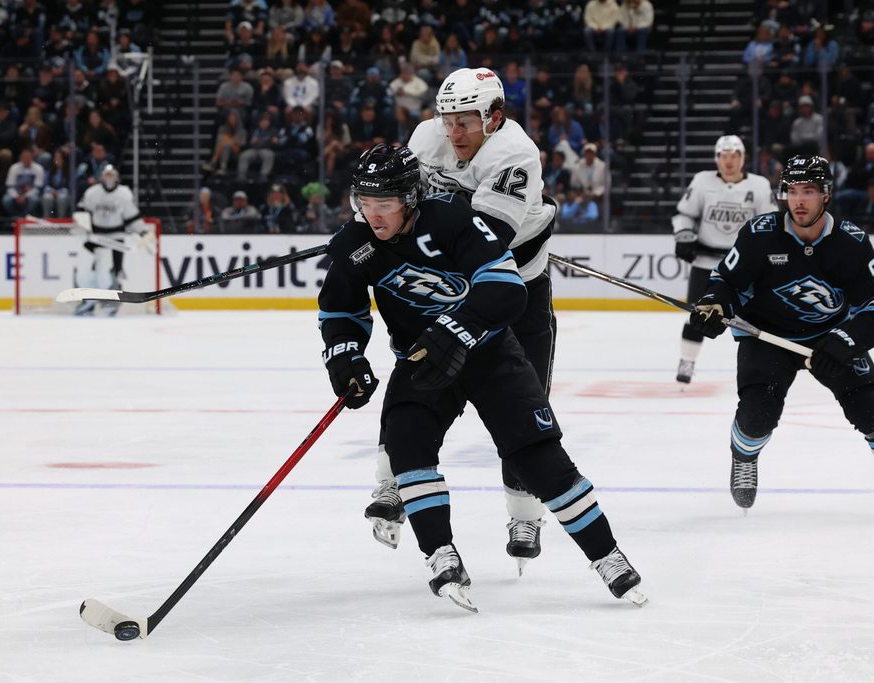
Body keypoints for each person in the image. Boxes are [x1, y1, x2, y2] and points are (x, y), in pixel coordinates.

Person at [319, 144, 646, 610]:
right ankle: (440, 553)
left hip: (490, 354)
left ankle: (607, 555)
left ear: (411, 197)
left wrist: (456, 329)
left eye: (384, 204)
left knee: (538, 459)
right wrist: (345, 356)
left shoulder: (453, 219)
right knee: (407, 442)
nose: (373, 216)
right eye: (365, 204)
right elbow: (339, 310)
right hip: (421, 361)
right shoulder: (356, 245)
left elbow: (506, 289)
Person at [357, 67, 556, 574]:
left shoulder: (515, 153)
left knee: (526, 405)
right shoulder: (427, 136)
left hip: (516, 291)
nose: (453, 132)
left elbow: (482, 240)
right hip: (444, 287)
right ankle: (393, 477)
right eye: (447, 119)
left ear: (495, 116)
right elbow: (399, 200)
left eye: (465, 120)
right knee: (415, 375)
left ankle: (524, 512)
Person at [687, 156, 874, 512]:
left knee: (871, 411)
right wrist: (713, 306)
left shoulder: (852, 242)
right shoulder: (761, 234)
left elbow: (872, 307)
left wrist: (845, 342)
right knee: (758, 416)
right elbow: (726, 281)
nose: (799, 200)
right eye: (792, 191)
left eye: (809, 191)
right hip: (767, 337)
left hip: (830, 338)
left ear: (826, 195)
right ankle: (744, 456)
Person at [672, 135, 777, 384]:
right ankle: (687, 361)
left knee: (757, 319)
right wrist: (684, 236)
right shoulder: (702, 181)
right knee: (698, 314)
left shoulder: (760, 185)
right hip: (706, 264)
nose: (729, 161)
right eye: (724, 156)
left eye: (734, 156)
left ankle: (764, 366)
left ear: (743, 158)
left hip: (746, 267)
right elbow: (685, 214)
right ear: (717, 158)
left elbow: (770, 222)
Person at [74, 165, 141, 316]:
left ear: (116, 176)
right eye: (107, 174)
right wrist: (83, 229)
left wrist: (141, 231)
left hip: (117, 238)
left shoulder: (124, 193)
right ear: (102, 176)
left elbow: (132, 217)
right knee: (88, 270)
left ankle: (113, 301)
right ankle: (88, 302)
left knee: (115, 272)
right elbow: (82, 213)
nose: (109, 177)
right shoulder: (92, 192)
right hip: (96, 237)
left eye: (112, 174)